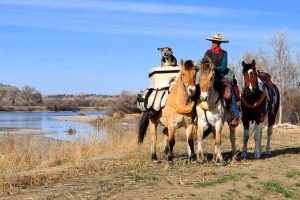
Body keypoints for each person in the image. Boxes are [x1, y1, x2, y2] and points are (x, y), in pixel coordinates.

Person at [201, 33, 240, 127]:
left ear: (219, 43)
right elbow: (203, 62)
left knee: (229, 88)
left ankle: (235, 114)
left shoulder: (224, 53)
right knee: (200, 86)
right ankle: (195, 114)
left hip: (220, 75)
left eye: (215, 42)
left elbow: (223, 66)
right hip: (208, 75)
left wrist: (214, 69)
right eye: (213, 42)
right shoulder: (208, 52)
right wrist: (205, 68)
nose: (213, 43)